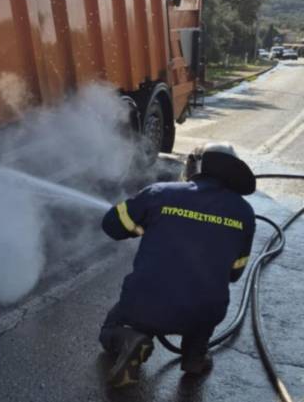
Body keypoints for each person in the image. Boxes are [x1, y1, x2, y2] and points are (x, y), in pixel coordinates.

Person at [99, 142, 256, 387]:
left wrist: (142, 225)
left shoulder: (161, 193)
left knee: (114, 325)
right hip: (202, 313)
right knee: (204, 308)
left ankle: (130, 338)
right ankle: (194, 356)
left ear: (196, 166)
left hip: (146, 304)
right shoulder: (245, 213)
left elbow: (111, 225)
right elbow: (235, 274)